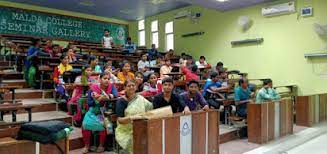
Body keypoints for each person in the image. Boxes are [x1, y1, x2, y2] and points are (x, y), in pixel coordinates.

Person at [82, 74, 118, 153]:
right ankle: (86, 146)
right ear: (100, 79)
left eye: (108, 79)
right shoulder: (93, 88)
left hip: (105, 112)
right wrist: (97, 99)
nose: (107, 80)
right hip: (93, 111)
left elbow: (116, 95)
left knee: (104, 125)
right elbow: (89, 103)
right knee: (85, 124)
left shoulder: (111, 86)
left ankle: (101, 145)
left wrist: (104, 96)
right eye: (104, 78)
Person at [115, 79, 153, 153]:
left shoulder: (140, 99)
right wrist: (132, 118)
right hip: (126, 130)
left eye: (133, 85)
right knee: (135, 140)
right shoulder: (121, 101)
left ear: (136, 87)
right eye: (129, 86)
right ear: (125, 88)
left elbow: (150, 108)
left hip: (141, 127)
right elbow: (120, 120)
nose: (131, 87)